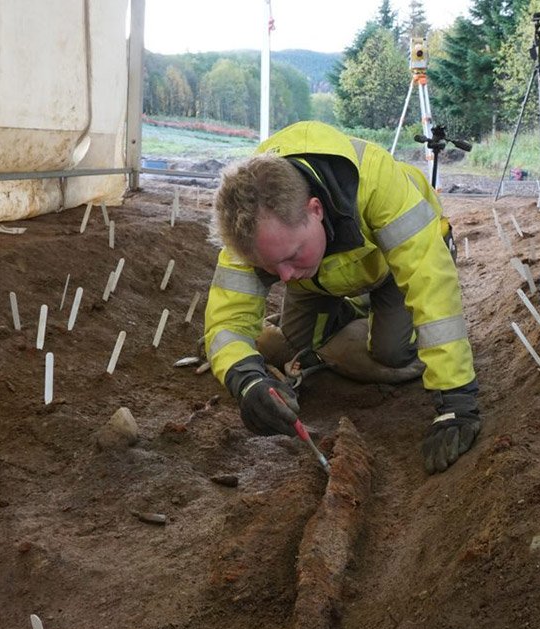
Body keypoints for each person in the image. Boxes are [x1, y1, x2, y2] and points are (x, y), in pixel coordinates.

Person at [203, 120, 480, 474]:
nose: (284, 277)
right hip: (323, 280)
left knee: (392, 352)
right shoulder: (249, 228)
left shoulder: (378, 183)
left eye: (291, 256)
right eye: (271, 267)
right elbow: (227, 322)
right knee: (298, 342)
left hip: (395, 268)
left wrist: (456, 399)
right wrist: (247, 381)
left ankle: (376, 317)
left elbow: (431, 287)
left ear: (315, 210)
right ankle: (353, 315)